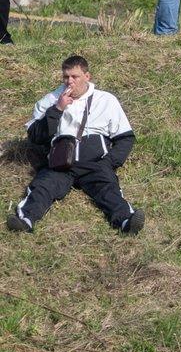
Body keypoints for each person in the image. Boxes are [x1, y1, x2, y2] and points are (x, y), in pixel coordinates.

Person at [8, 55, 140, 235]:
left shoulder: (106, 100)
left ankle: (126, 221)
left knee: (108, 189)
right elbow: (35, 137)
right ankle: (25, 220)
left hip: (95, 163)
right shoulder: (50, 100)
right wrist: (56, 110)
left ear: (87, 76)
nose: (69, 81)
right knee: (42, 187)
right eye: (65, 77)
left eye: (75, 77)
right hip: (60, 163)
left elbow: (125, 138)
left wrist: (109, 162)